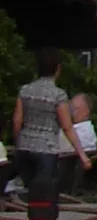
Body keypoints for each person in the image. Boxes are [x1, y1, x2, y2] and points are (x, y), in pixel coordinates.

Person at [12, 51, 85, 199]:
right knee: (43, 193)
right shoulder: (58, 95)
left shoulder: (25, 90)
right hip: (47, 148)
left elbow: (17, 120)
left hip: (25, 146)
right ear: (58, 69)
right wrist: (82, 154)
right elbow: (67, 127)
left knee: (27, 190)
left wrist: (17, 141)